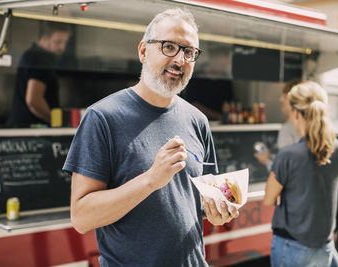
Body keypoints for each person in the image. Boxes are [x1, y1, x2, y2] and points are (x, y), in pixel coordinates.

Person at [63, 8, 239, 266]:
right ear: (144, 51)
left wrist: (220, 212)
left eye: (189, 52)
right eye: (169, 47)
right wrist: (150, 180)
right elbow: (81, 218)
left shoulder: (197, 120)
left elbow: (207, 203)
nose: (180, 59)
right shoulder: (102, 118)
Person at [264, 81, 338, 267]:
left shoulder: (287, 155)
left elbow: (268, 199)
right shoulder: (336, 149)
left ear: (297, 113)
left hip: (291, 245)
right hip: (324, 245)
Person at [5, 21, 71, 127]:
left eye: (65, 42)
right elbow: (33, 100)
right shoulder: (39, 58)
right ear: (45, 38)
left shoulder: (31, 55)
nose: (62, 47)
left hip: (21, 129)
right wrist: (57, 123)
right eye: (58, 42)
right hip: (29, 133)